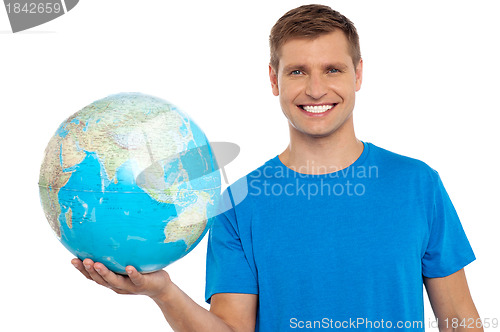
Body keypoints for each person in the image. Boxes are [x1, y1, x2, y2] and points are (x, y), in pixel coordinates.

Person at [72, 4, 482, 331]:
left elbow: (461, 323)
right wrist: (163, 293)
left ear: (358, 74)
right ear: (274, 80)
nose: (316, 89)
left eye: (333, 69)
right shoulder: (237, 204)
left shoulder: (417, 185)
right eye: (298, 71)